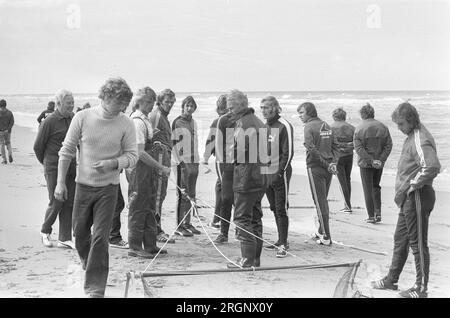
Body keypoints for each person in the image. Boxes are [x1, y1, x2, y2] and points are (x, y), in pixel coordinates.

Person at [54, 77, 138, 298]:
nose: (124, 108)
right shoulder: (82, 118)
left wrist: (114, 163)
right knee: (80, 234)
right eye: (121, 103)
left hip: (108, 189)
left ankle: (95, 288)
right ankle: (88, 262)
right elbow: (66, 151)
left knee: (101, 238)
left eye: (126, 104)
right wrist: (60, 182)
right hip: (83, 187)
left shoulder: (126, 123)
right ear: (107, 97)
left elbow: (132, 156)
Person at [371, 102, 440, 298]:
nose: (399, 128)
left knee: (418, 244)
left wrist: (413, 185)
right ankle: (391, 280)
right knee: (400, 239)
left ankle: (421, 288)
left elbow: (432, 167)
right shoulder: (411, 135)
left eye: (401, 124)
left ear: (411, 120)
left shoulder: (421, 138)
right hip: (407, 198)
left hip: (417, 196)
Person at [127, 87, 171, 259]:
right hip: (139, 170)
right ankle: (135, 246)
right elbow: (139, 152)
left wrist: (156, 146)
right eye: (147, 101)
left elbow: (147, 146)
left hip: (148, 170)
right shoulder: (137, 121)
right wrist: (161, 167)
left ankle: (151, 244)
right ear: (138, 102)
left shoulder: (145, 120)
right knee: (138, 207)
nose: (150, 104)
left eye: (152, 101)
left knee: (150, 205)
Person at [226, 90, 267, 268]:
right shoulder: (259, 122)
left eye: (231, 107)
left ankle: (247, 259)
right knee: (255, 217)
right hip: (262, 176)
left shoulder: (243, 124)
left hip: (246, 178)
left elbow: (237, 153)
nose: (229, 111)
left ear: (242, 105)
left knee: (242, 218)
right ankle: (255, 259)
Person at [33, 90, 76, 249]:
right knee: (57, 200)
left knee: (69, 201)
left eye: (72, 103)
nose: (71, 106)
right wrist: (47, 164)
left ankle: (65, 238)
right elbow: (38, 147)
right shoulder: (49, 121)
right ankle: (45, 231)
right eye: (68, 103)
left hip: (71, 166)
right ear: (58, 104)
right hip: (53, 166)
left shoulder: (73, 118)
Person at [297, 102, 339, 246]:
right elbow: (336, 146)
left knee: (320, 202)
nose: (300, 116)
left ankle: (326, 236)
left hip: (315, 167)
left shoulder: (308, 126)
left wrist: (327, 163)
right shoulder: (326, 125)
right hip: (328, 168)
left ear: (309, 112)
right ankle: (321, 230)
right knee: (323, 200)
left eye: (301, 113)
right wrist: (333, 163)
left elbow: (311, 148)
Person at [260, 96, 294, 258]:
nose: (263, 110)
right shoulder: (264, 126)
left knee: (281, 208)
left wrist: (280, 172)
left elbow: (288, 153)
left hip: (280, 174)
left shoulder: (284, 125)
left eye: (266, 107)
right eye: (262, 107)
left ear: (275, 107)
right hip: (266, 174)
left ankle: (284, 243)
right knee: (273, 207)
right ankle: (280, 238)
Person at [354, 103, 392, 223]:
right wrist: (380, 159)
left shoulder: (359, 128)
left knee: (367, 189)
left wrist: (371, 160)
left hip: (365, 164)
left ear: (362, 115)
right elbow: (388, 145)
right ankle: (378, 213)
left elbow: (359, 149)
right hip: (379, 163)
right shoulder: (383, 127)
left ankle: (371, 215)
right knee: (376, 186)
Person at [148, 89, 177, 244]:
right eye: (167, 101)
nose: (170, 104)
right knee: (157, 195)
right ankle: (156, 230)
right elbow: (148, 139)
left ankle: (156, 227)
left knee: (161, 194)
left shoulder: (164, 117)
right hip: (158, 160)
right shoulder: (156, 116)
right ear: (160, 102)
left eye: (172, 101)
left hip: (165, 158)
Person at [172, 96, 201, 236]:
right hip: (182, 162)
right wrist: (179, 161)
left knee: (192, 193)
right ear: (183, 107)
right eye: (187, 105)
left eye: (192, 106)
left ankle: (188, 223)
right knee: (183, 193)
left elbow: (195, 141)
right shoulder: (177, 122)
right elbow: (174, 144)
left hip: (194, 160)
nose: (189, 108)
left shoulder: (194, 122)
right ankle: (179, 226)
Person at [211, 97, 239, 245]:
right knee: (226, 197)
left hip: (241, 165)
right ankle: (223, 232)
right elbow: (215, 143)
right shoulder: (221, 121)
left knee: (239, 198)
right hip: (225, 165)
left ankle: (240, 229)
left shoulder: (243, 120)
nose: (230, 111)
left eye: (232, 107)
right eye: (227, 108)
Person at [202, 95, 228, 229]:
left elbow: (210, 141)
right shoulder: (235, 120)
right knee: (220, 187)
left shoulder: (217, 121)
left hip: (221, 160)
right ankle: (217, 219)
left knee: (224, 189)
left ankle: (221, 221)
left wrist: (205, 158)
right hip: (234, 160)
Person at [330, 107, 355, 213]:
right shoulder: (352, 128)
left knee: (342, 182)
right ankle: (348, 203)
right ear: (344, 116)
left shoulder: (331, 127)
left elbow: (330, 143)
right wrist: (347, 145)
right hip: (349, 155)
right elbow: (355, 143)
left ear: (334, 116)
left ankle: (347, 206)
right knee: (347, 180)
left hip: (338, 156)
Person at [0, 99, 14, 164]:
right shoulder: (9, 112)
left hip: (0, 131)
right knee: (8, 143)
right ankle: (10, 154)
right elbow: (12, 122)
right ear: (6, 105)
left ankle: (4, 160)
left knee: (2, 145)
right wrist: (8, 129)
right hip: (8, 131)